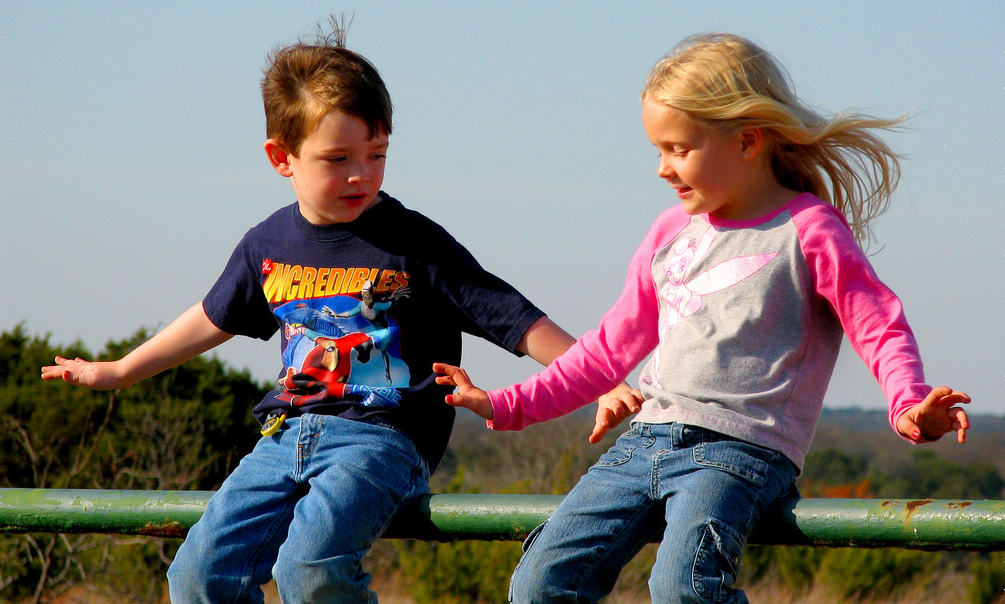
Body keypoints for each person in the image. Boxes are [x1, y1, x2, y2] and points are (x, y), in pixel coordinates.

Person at [40, 20, 631, 604]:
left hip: (383, 437)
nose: (361, 175)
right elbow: (209, 317)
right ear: (283, 158)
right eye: (338, 158)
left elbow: (514, 318)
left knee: (308, 569)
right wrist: (118, 370)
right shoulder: (266, 244)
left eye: (376, 155)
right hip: (284, 433)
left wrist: (599, 378)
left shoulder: (413, 243)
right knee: (196, 576)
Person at [434, 33, 971, 604]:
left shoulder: (809, 229)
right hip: (643, 440)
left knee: (683, 590)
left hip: (742, 450)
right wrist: (507, 404)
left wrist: (909, 403)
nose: (664, 169)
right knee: (539, 582)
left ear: (746, 141)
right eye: (658, 150)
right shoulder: (670, 235)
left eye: (679, 149)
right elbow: (606, 351)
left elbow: (877, 322)